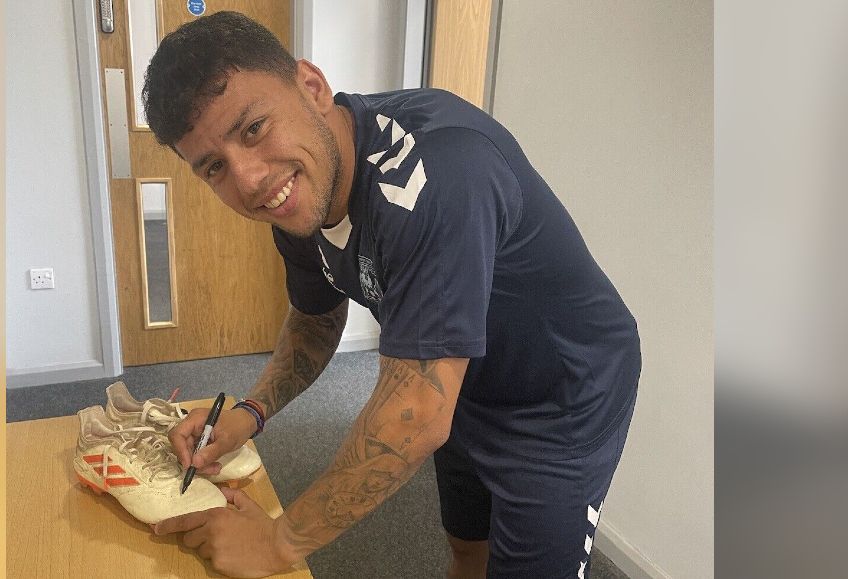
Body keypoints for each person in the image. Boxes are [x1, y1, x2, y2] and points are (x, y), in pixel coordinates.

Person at [144, 10, 641, 579]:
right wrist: (250, 413)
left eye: (253, 128)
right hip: (463, 379)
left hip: (559, 399)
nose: (249, 179)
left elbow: (418, 414)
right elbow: (315, 319)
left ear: (310, 86)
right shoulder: (298, 189)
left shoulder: (438, 175)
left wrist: (277, 543)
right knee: (468, 551)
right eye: (214, 167)